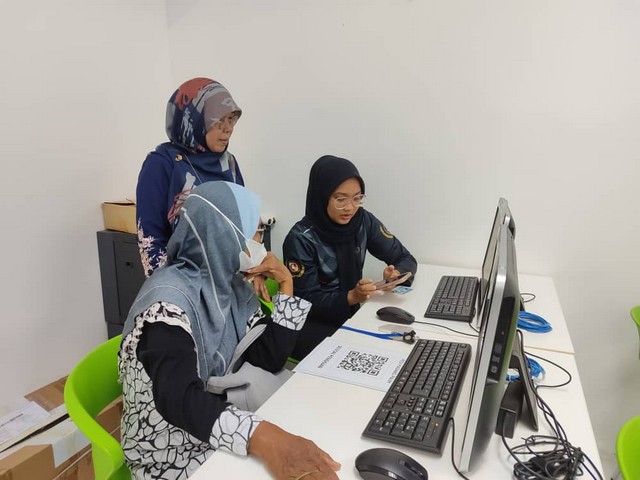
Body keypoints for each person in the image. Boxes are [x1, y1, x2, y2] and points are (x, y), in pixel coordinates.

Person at [119, 181, 340, 480]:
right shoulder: (167, 302)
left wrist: (287, 284)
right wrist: (265, 437)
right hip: (172, 451)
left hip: (220, 425)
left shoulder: (229, 286)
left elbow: (268, 358)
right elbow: (178, 397)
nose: (262, 243)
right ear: (224, 234)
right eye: (256, 232)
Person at [283, 155, 418, 360]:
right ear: (322, 196)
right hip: (309, 325)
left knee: (397, 348)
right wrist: (351, 297)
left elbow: (404, 257)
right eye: (340, 199)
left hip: (350, 316)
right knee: (365, 354)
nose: (350, 208)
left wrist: (396, 275)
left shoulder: (362, 221)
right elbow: (305, 302)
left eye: (356, 198)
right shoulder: (301, 238)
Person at [136, 77, 245, 276]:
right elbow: (150, 241)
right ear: (193, 120)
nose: (228, 128)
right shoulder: (162, 164)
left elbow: (241, 227)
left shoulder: (228, 163)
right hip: (182, 282)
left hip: (228, 280)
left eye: (231, 119)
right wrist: (170, 288)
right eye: (219, 120)